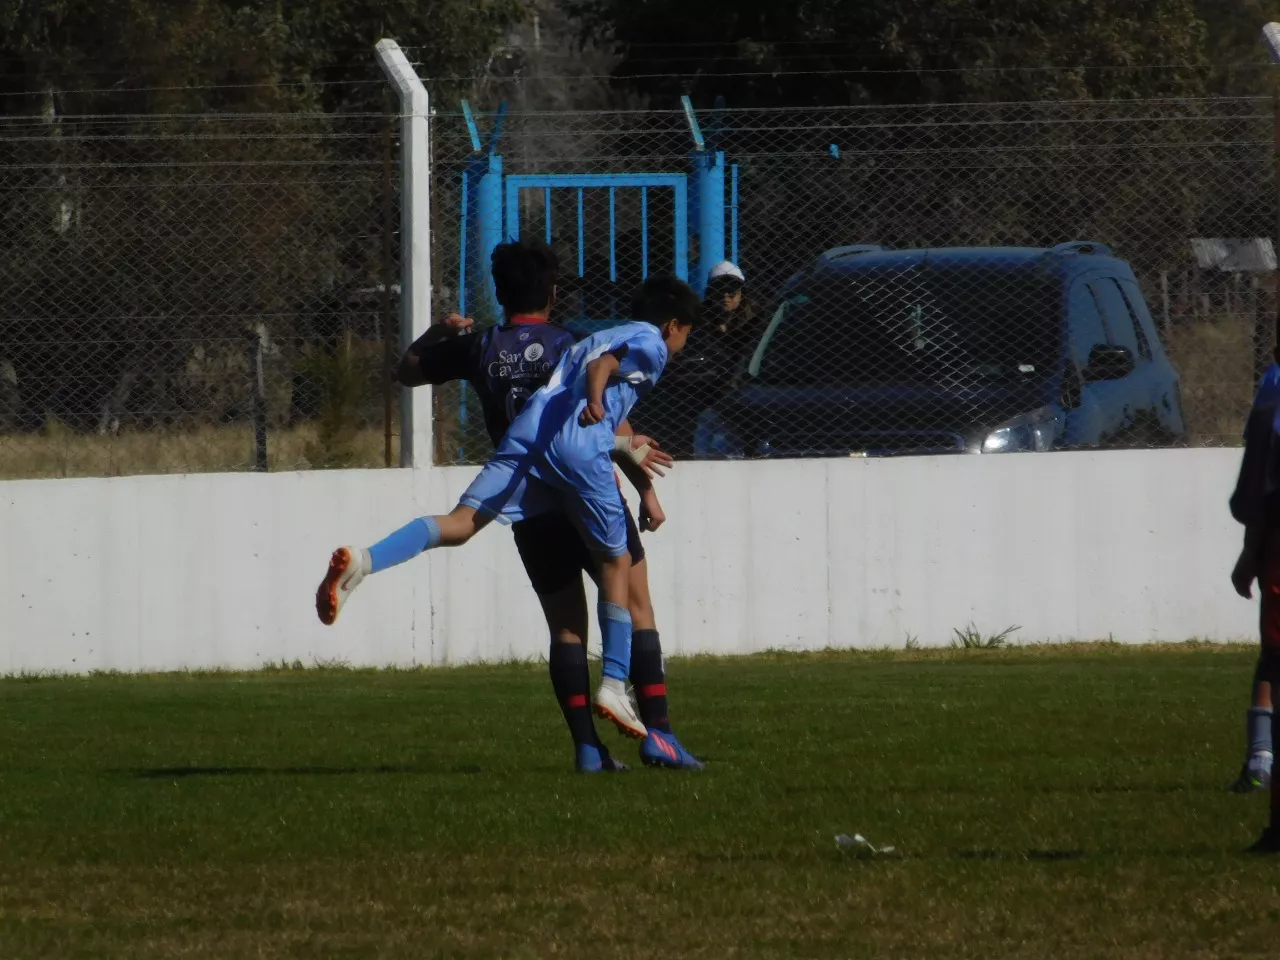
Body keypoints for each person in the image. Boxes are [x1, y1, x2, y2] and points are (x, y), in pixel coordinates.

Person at [316, 249, 704, 772]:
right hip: (584, 481)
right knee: (636, 603)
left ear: (499, 294)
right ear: (553, 294)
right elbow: (609, 425)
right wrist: (644, 485)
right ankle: (654, 729)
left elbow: (406, 371)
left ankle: (589, 750)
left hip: (526, 487)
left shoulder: (480, 347)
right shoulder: (573, 342)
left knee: (565, 625)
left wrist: (436, 334)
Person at [1229, 354, 1280, 850]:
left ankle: (1262, 760)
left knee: (1275, 657)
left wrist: (1250, 551)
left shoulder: (1273, 390)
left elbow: (1262, 485)